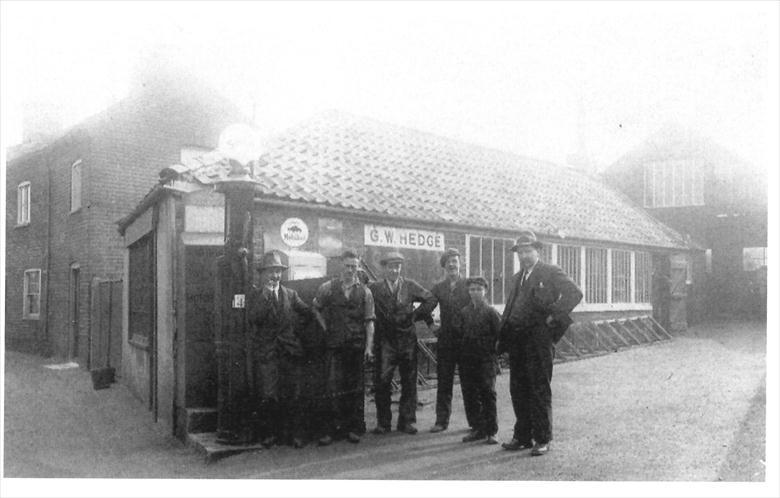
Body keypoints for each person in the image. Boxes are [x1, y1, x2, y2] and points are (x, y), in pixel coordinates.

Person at [498, 231, 582, 456]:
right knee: (518, 388)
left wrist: (553, 316)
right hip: (517, 340)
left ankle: (542, 439)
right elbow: (510, 307)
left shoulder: (550, 272)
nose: (524, 256)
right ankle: (523, 436)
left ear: (537, 251)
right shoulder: (518, 277)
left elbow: (575, 293)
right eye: (520, 252)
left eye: (528, 251)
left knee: (539, 388)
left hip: (538, 340)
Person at [248, 250, 314, 449]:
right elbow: (254, 319)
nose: (275, 276)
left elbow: (307, 313)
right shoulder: (256, 296)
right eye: (271, 272)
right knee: (269, 396)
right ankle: (269, 435)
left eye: (278, 272)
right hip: (267, 354)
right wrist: (265, 297)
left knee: (293, 395)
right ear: (263, 274)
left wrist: (295, 333)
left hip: (289, 353)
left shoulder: (291, 295)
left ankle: (294, 435)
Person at [369, 251, 437, 435]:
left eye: (397, 266)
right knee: (382, 381)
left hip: (407, 340)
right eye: (391, 266)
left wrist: (416, 315)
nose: (394, 270)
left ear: (401, 268)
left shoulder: (410, 286)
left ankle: (406, 421)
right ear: (384, 268)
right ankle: (383, 423)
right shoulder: (374, 288)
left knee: (409, 381)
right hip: (385, 342)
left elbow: (431, 298)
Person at [312, 250, 376, 446]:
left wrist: (368, 348)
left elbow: (369, 322)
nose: (350, 270)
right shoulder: (327, 288)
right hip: (334, 347)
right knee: (332, 388)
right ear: (341, 265)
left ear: (358, 267)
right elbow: (315, 307)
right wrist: (326, 328)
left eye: (354, 266)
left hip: (356, 347)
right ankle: (330, 431)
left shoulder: (365, 291)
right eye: (347, 266)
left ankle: (353, 429)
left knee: (355, 389)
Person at [428, 248, 475, 433]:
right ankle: (441, 421)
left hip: (466, 340)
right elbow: (425, 307)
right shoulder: (439, 288)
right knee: (444, 381)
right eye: (449, 262)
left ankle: (474, 422)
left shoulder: (469, 284)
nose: (452, 265)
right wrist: (432, 325)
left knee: (469, 381)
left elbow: (479, 307)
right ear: (444, 266)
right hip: (446, 340)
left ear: (460, 263)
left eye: (455, 261)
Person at [456, 276, 502, 445]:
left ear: (485, 291)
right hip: (468, 359)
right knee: (470, 394)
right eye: (472, 289)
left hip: (486, 360)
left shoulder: (491, 312)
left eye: (479, 289)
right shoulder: (464, 312)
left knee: (488, 393)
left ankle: (492, 431)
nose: (475, 292)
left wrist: (494, 355)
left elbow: (500, 335)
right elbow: (459, 334)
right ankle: (477, 429)